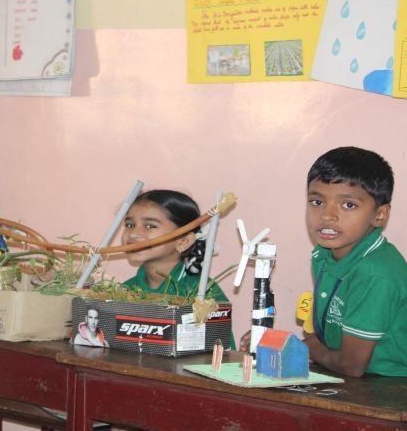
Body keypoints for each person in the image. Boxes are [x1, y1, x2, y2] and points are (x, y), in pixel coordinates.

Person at [261, 146, 405, 377]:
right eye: (317, 202)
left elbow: (351, 365)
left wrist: (303, 346)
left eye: (348, 205)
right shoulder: (323, 255)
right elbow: (326, 339)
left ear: (380, 215)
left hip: (391, 385)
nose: (327, 215)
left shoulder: (375, 272)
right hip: (353, 378)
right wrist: (277, 342)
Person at [121, 189, 235, 348]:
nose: (133, 234)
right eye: (129, 224)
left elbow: (223, 352)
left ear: (184, 241)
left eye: (150, 226)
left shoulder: (203, 293)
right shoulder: (124, 291)